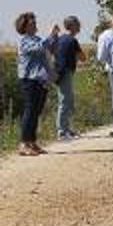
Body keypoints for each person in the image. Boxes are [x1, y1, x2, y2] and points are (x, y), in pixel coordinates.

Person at [14, 12, 55, 156]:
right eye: (32, 23)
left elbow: (46, 51)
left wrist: (50, 76)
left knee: (36, 112)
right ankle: (24, 143)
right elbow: (39, 48)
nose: (35, 25)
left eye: (35, 22)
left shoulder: (37, 39)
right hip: (29, 80)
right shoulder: (24, 41)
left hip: (40, 80)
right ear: (24, 27)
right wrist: (50, 36)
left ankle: (32, 142)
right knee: (30, 110)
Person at [51, 15, 86, 139]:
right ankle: (62, 131)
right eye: (77, 24)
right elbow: (83, 57)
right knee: (65, 101)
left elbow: (52, 54)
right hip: (65, 72)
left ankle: (67, 129)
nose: (80, 26)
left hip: (58, 73)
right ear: (71, 26)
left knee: (67, 101)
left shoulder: (59, 39)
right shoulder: (72, 40)